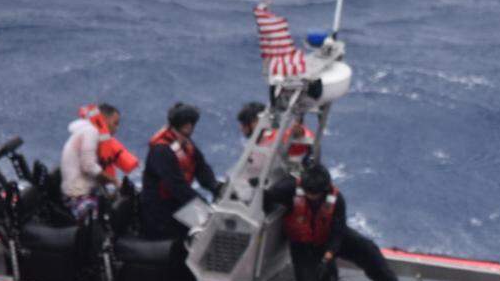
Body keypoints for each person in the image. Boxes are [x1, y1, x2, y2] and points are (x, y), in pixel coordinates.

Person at [263, 163, 417, 281]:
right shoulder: (288, 189)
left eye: (315, 193)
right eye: (308, 191)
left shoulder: (337, 200)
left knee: (368, 250)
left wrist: (327, 257)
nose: (311, 196)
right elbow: (267, 197)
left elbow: (338, 232)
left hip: (330, 237)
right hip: (303, 246)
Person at [140, 103, 223, 240]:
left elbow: (202, 169)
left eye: (192, 122)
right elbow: (177, 186)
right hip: (161, 211)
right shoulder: (161, 150)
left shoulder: (187, 145)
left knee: (213, 225)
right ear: (183, 125)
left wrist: (216, 187)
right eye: (188, 123)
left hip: (177, 204)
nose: (190, 126)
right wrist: (204, 207)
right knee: (208, 230)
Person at [60, 103, 138, 220]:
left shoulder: (86, 132)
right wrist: (114, 181)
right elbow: (89, 166)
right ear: (104, 119)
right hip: (78, 198)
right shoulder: (90, 132)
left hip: (81, 192)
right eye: (115, 123)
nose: (116, 129)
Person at [237, 101, 313, 166]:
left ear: (256, 121)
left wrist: (300, 133)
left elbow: (301, 140)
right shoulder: (254, 143)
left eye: (244, 124)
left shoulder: (275, 138)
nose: (241, 128)